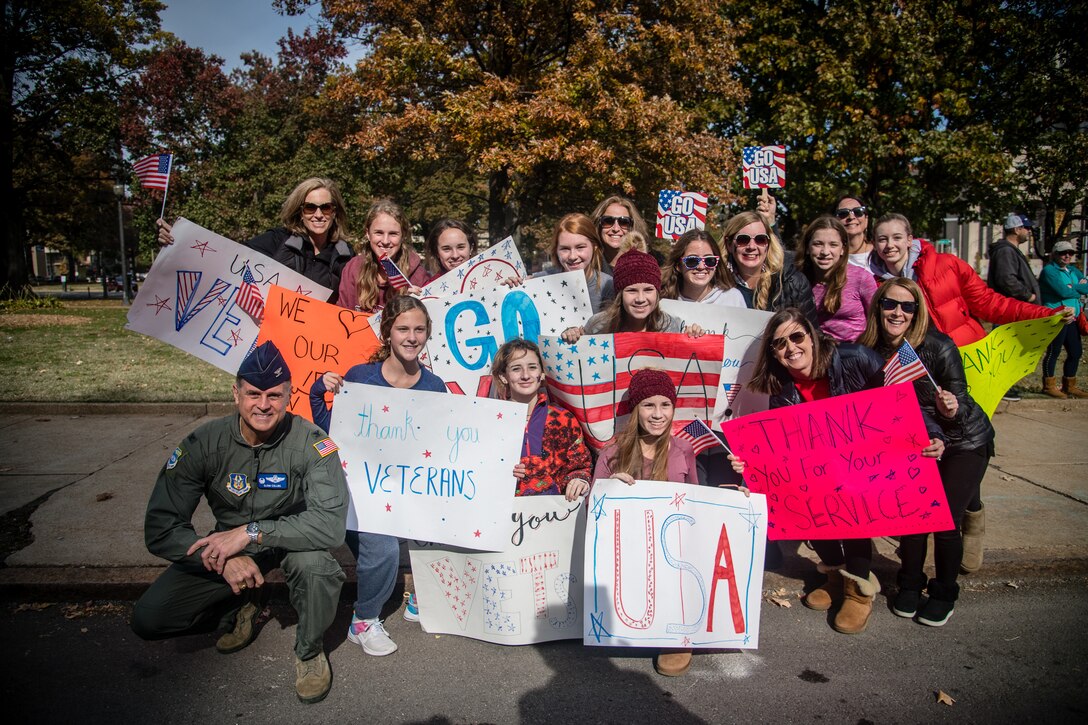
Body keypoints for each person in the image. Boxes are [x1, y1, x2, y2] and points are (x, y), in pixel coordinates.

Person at [131, 341, 348, 704]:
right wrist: (223, 558)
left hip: (291, 540)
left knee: (318, 569)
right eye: (253, 393)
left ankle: (309, 652)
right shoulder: (204, 443)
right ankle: (240, 604)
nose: (263, 405)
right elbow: (162, 525)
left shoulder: (313, 443)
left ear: (288, 395)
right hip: (231, 547)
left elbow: (329, 526)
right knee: (149, 619)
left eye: (274, 395)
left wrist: (252, 533)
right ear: (236, 393)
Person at [728, 308, 945, 634]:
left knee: (853, 510)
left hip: (867, 460)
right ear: (774, 353)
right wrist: (750, 465)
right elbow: (780, 450)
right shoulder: (782, 390)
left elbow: (899, 400)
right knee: (801, 499)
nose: (791, 348)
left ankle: (859, 590)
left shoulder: (856, 358)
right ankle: (833, 575)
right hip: (822, 469)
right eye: (779, 344)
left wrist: (932, 434)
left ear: (812, 337)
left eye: (797, 337)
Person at [309, 296, 447, 652]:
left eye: (419, 329)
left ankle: (427, 594)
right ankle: (364, 619)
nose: (411, 336)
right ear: (387, 332)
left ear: (428, 333)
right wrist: (317, 393)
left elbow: (446, 449)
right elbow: (331, 433)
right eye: (403, 328)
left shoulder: (435, 387)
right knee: (383, 547)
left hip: (410, 494)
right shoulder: (359, 378)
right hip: (360, 495)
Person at [859, 278, 995, 626]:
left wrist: (951, 409)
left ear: (918, 311)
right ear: (878, 306)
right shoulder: (868, 348)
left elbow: (960, 398)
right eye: (890, 304)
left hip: (964, 441)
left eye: (908, 306)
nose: (898, 312)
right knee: (914, 517)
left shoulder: (938, 345)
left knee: (945, 519)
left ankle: (944, 591)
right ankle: (909, 584)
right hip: (916, 445)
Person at [592, 368, 697, 676]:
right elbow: (593, 513)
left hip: (675, 556)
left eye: (665, 405)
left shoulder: (684, 450)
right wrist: (609, 488)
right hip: (630, 557)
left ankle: (678, 635)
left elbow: (699, 507)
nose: (657, 414)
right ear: (636, 409)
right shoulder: (610, 455)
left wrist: (736, 497)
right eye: (649, 405)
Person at [868, 213, 1068, 346]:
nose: (890, 245)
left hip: (964, 354)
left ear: (909, 240)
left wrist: (1046, 314)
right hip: (916, 366)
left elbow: (990, 304)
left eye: (897, 237)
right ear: (875, 243)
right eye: (882, 239)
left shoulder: (947, 265)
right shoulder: (873, 283)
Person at [156, 177, 355, 302]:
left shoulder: (346, 255)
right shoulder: (278, 240)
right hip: (271, 343)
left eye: (326, 207)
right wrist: (178, 240)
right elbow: (227, 257)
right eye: (310, 207)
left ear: (335, 212)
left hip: (316, 348)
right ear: (300, 212)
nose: (318, 214)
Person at [492, 338, 593, 500]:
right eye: (516, 369)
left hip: (555, 516)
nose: (525, 375)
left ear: (542, 373)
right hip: (504, 516)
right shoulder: (491, 423)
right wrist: (500, 472)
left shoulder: (563, 419)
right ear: (504, 376)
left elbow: (580, 466)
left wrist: (578, 481)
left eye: (532, 367)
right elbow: (476, 471)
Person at [561, 249, 703, 343]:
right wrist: (571, 335)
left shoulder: (672, 326)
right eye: (632, 291)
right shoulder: (598, 326)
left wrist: (694, 336)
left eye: (648, 290)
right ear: (620, 294)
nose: (640, 299)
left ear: (657, 293)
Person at [722, 211, 818, 325]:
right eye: (743, 239)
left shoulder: (793, 283)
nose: (752, 246)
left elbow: (812, 334)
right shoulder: (715, 284)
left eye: (760, 239)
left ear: (768, 244)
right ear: (729, 244)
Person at [337, 199, 429, 312]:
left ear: (403, 235)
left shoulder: (418, 276)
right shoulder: (353, 268)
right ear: (368, 233)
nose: (385, 241)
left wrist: (417, 306)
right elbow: (342, 313)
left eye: (393, 234)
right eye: (379, 233)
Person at [796, 215, 877, 342]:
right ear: (807, 247)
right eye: (818, 244)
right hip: (816, 353)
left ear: (843, 249)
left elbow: (876, 320)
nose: (825, 252)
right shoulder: (798, 280)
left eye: (833, 245)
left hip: (855, 353)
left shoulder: (861, 278)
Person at [988, 213, 1042, 401]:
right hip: (1008, 310)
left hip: (1013, 310)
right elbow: (1006, 279)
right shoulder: (1005, 251)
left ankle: (1005, 386)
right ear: (1017, 230)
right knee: (1005, 351)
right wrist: (1028, 295)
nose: (1028, 232)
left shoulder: (1010, 250)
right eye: (1026, 228)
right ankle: (1001, 388)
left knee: (1010, 351)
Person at [1039, 241, 1088, 399]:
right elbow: (1062, 292)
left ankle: (1069, 386)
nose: (1067, 256)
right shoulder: (1049, 271)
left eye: (1070, 253)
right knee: (1054, 351)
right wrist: (1076, 287)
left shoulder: (1073, 270)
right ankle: (1049, 386)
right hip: (1057, 316)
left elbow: (1085, 288)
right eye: (1062, 253)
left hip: (1073, 317)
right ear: (1055, 254)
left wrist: (1070, 287)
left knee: (1076, 352)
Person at [540, 213, 615, 313]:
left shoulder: (609, 286)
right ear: (556, 250)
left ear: (594, 246)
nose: (572, 256)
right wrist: (514, 283)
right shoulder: (541, 281)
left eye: (580, 247)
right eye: (565, 249)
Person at [660, 228, 745, 307]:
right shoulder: (662, 300)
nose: (701, 266)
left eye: (709, 260)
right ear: (678, 265)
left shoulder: (734, 298)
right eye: (692, 260)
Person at [592, 195, 652, 272]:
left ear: (632, 226)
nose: (616, 229)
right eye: (608, 221)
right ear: (598, 224)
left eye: (624, 222)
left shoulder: (646, 266)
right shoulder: (586, 265)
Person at [831, 194, 873, 269]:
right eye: (843, 213)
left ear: (866, 220)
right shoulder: (830, 257)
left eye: (858, 211)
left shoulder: (881, 253)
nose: (851, 217)